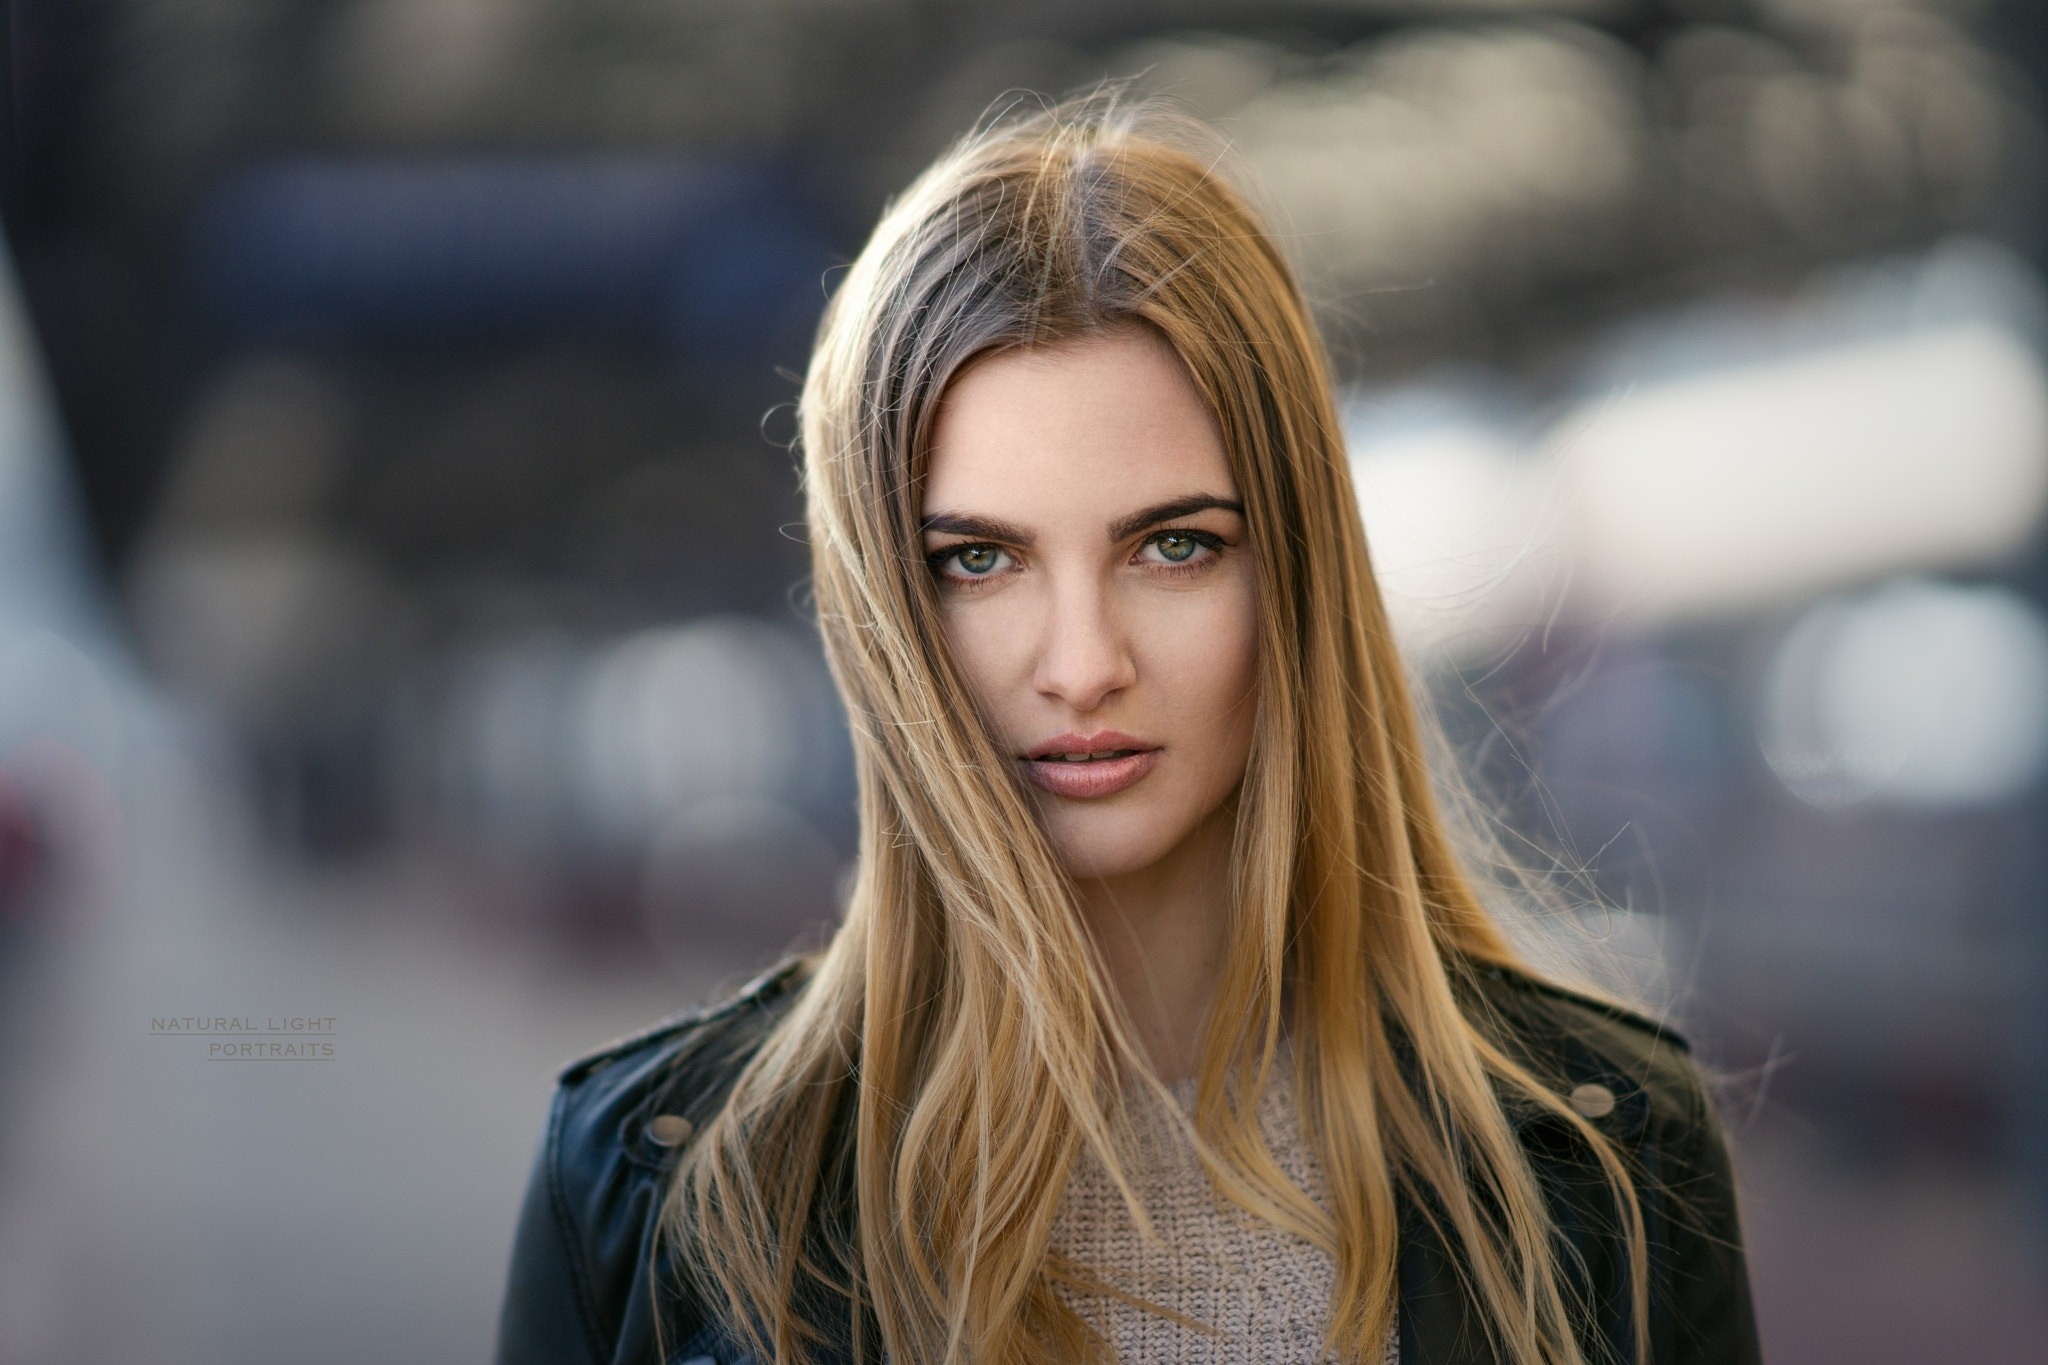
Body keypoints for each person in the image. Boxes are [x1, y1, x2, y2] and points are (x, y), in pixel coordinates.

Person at [492, 93, 1761, 1365]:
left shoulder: (1609, 1156)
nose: (1083, 666)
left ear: (1296, 575)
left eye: (1173, 546)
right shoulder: (653, 1188)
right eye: (977, 560)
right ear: (878, 604)